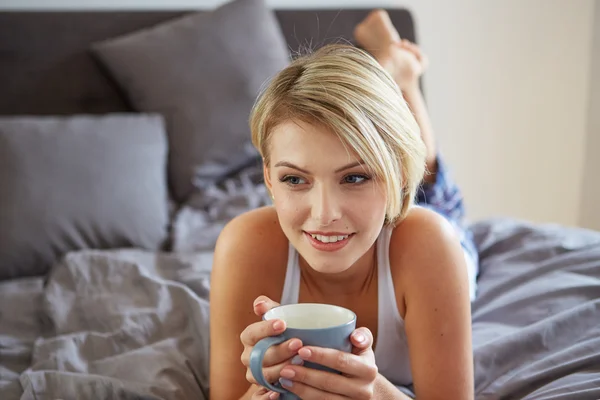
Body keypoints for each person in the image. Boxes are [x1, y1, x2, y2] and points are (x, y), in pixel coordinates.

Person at [209, 9, 478, 400]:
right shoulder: (243, 245)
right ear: (269, 177)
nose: (324, 214)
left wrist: (379, 394)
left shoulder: (431, 244)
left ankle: (400, 74)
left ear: (395, 177)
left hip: (421, 218)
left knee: (434, 187)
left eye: (355, 177)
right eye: (294, 179)